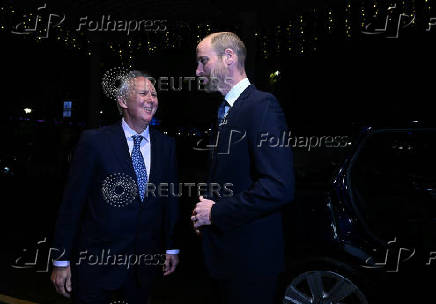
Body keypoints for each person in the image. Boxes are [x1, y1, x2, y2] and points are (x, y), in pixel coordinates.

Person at [50, 70, 180, 304]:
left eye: (154, 93)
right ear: (122, 101)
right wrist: (61, 261)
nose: (151, 99)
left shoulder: (166, 145)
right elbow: (72, 204)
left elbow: (170, 201)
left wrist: (172, 247)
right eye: (143, 93)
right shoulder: (95, 142)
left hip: (144, 270)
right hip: (96, 267)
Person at [192, 32, 295, 304]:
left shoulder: (262, 106)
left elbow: (278, 187)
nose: (198, 70)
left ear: (229, 57)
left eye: (203, 62)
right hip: (227, 257)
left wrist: (217, 212)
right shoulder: (226, 110)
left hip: (250, 263)